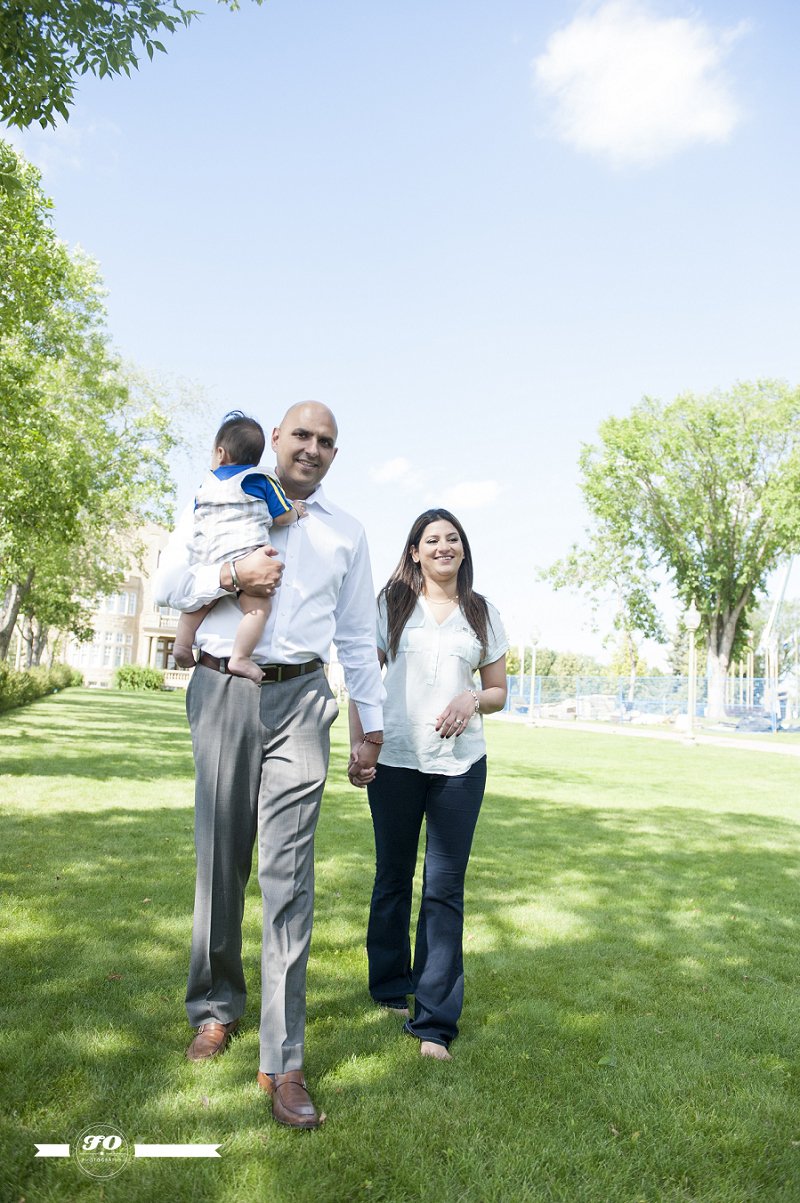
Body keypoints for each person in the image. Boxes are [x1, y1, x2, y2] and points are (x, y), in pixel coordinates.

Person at [155, 401, 384, 1129]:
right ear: (276, 441)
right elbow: (167, 586)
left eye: (327, 442)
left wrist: (368, 724)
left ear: (333, 454)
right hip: (224, 685)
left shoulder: (348, 534)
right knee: (220, 859)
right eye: (302, 436)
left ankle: (284, 1061)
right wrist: (230, 570)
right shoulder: (219, 501)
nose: (312, 449)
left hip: (304, 701)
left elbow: (356, 635)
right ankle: (215, 1009)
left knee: (290, 880)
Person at [349, 508, 508, 1060]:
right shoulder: (390, 605)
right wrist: (360, 743)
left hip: (460, 767)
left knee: (443, 889)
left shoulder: (482, 613)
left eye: (453, 539)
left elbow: (498, 692)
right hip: (395, 759)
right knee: (392, 875)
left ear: (463, 550)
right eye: (431, 539)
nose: (444, 546)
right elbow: (364, 680)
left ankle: (435, 1021)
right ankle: (391, 985)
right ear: (414, 551)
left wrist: (472, 698)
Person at [172, 411, 306, 682]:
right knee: (258, 609)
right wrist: (297, 512)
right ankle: (241, 656)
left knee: (198, 604)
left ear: (220, 453)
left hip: (210, 558)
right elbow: (281, 515)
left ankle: (182, 646)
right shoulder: (261, 479)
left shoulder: (204, 487)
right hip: (248, 557)